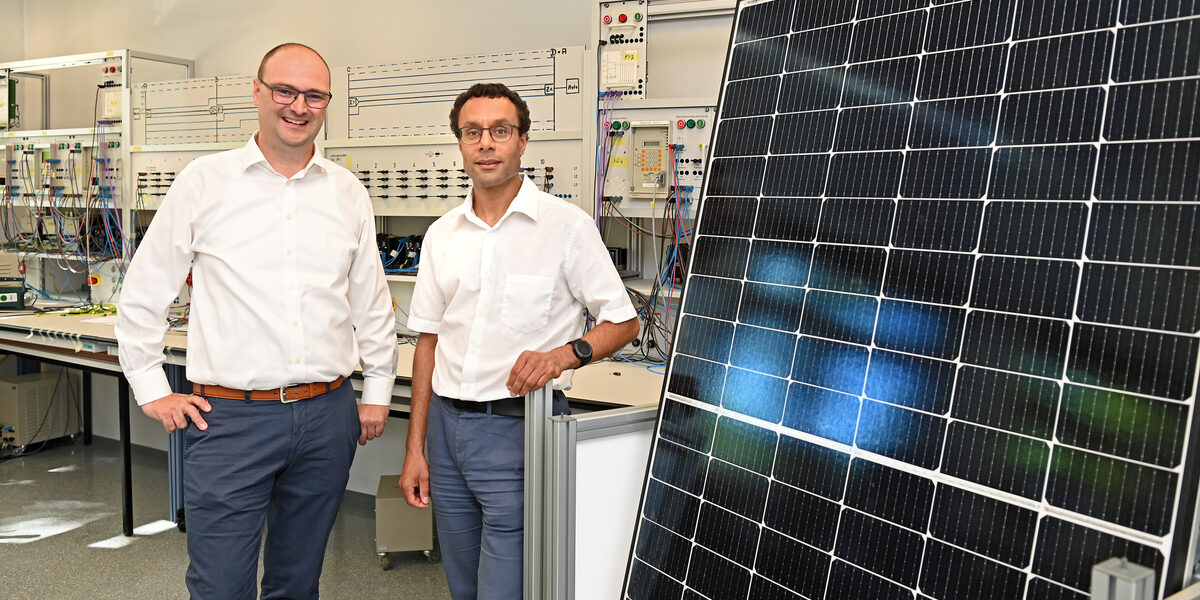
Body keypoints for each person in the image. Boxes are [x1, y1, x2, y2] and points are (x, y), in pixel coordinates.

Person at [115, 42, 397, 599]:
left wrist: (378, 391)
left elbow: (370, 301)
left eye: (314, 95)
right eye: (284, 91)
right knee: (221, 586)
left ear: (327, 103)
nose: (298, 106)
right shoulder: (205, 181)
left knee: (297, 583)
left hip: (326, 416)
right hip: (229, 421)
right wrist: (151, 390)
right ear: (258, 93)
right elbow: (143, 293)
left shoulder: (347, 193)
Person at [399, 82, 639, 599]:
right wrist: (415, 448)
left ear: (522, 141)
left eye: (500, 131)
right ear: (460, 143)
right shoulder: (443, 234)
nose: (486, 143)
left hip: (518, 430)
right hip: (446, 429)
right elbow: (427, 343)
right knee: (462, 585)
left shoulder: (566, 227)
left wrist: (563, 355)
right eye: (473, 132)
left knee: (506, 589)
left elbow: (623, 322)